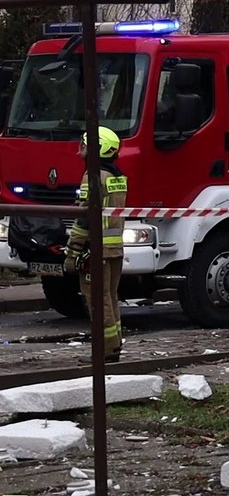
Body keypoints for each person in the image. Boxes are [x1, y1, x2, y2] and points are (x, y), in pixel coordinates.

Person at [64, 127, 128, 363]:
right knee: (110, 298)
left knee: (98, 301)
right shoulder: (116, 177)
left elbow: (84, 218)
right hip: (114, 248)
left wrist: (72, 252)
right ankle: (114, 345)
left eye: (84, 145)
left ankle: (105, 352)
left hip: (95, 249)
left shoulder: (92, 176)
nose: (79, 151)